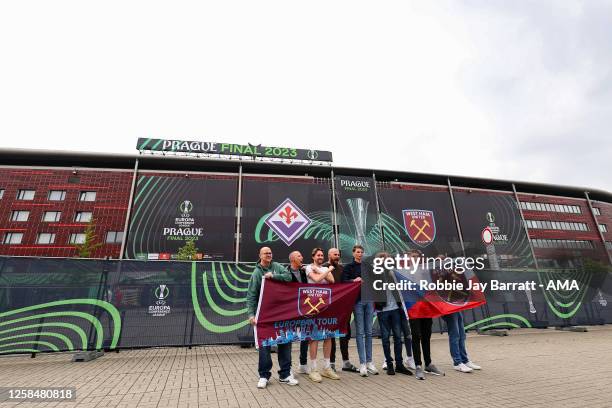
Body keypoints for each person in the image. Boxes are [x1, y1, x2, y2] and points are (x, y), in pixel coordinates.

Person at [246, 247, 299, 389]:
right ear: (260, 255)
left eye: (270, 252)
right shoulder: (256, 273)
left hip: (281, 313)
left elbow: (288, 277)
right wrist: (251, 314)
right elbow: (251, 295)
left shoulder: (277, 267)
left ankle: (285, 375)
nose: (268, 255)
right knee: (265, 345)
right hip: (264, 315)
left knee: (285, 342)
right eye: (265, 253)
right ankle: (264, 376)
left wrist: (273, 276)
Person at [373, 252, 412, 376]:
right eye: (384, 260)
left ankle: (399, 365)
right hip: (382, 310)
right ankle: (389, 364)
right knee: (385, 338)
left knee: (397, 337)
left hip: (395, 308)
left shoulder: (393, 271)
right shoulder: (376, 272)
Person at [342, 245, 378, 377]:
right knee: (360, 333)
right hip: (357, 302)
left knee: (369, 332)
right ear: (353, 253)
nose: (360, 254)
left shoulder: (368, 266)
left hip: (369, 301)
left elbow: (376, 279)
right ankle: (362, 363)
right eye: (358, 252)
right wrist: (353, 280)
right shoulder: (349, 267)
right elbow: (343, 282)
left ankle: (369, 362)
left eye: (362, 252)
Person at [407, 250, 444, 379]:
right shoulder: (404, 271)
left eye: (417, 257)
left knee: (427, 335)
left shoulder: (425, 270)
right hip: (414, 308)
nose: (415, 259)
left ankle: (428, 363)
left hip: (427, 308)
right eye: (413, 257)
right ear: (408, 258)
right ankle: (418, 365)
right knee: (416, 336)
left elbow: (435, 283)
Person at [304, 247, 340, 382]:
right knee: (314, 337)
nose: (320, 257)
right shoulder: (308, 267)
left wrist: (323, 270)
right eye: (318, 255)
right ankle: (313, 369)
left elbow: (332, 281)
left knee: (328, 336)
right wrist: (326, 271)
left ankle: (326, 367)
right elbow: (317, 280)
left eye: (322, 255)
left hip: (326, 305)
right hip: (313, 306)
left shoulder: (325, 268)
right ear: (313, 256)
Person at [324, 247, 359, 373]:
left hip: (343, 308)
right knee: (331, 335)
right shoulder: (324, 268)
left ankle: (346, 362)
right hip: (330, 308)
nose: (337, 256)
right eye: (334, 254)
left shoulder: (343, 269)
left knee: (345, 334)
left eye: (338, 254)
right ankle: (331, 363)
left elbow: (346, 284)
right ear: (329, 255)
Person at [286, 251, 311, 376]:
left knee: (305, 336)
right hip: (291, 310)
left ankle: (303, 364)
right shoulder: (285, 272)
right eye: (299, 256)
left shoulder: (303, 271)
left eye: (302, 255)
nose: (302, 257)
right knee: (289, 337)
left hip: (304, 308)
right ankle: (288, 367)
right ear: (292, 259)